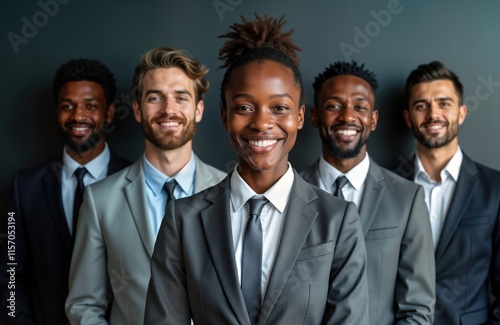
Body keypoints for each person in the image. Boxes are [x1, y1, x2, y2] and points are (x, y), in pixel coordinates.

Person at [144, 14, 369, 325]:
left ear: (300, 116)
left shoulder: (338, 220)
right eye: (244, 108)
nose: (262, 123)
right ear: (224, 117)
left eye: (279, 108)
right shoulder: (183, 220)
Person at [65, 47, 227, 324]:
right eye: (155, 97)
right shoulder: (99, 200)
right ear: (138, 110)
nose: (169, 110)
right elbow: (83, 304)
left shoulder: (231, 191)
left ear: (198, 109)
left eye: (181, 97)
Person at [300, 61, 436, 324]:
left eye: (360, 107)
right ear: (315, 117)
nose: (348, 117)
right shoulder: (287, 192)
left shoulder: (408, 199)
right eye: (334, 106)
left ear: (373, 120)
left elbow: (417, 310)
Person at [0, 58, 131, 325]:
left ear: (108, 113)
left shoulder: (136, 181)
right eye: (67, 106)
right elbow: (10, 273)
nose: (78, 116)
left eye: (90, 106)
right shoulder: (24, 187)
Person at [397, 61, 500, 324]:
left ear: (461, 113)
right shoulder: (387, 186)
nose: (433, 115)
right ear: (408, 117)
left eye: (444, 103)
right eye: (422, 106)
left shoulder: (495, 189)